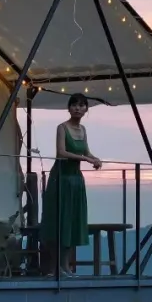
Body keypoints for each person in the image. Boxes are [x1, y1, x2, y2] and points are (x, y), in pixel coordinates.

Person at [40, 93, 102, 275]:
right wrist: (85, 159)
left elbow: (86, 151)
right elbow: (61, 152)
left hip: (75, 179)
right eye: (74, 105)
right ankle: (55, 266)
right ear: (69, 108)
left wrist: (95, 158)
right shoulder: (62, 128)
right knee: (58, 220)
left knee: (72, 221)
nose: (78, 108)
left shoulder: (82, 129)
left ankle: (65, 266)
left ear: (86, 109)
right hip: (61, 177)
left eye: (82, 105)